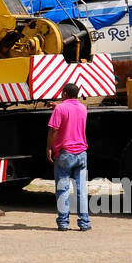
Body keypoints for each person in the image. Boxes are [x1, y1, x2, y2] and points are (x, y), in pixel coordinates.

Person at [47, 82, 90, 231]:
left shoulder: (60, 109)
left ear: (65, 94)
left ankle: (63, 223)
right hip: (81, 154)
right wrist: (58, 106)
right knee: (81, 190)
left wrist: (49, 148)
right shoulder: (83, 108)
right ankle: (84, 223)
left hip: (65, 154)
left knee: (63, 189)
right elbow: (71, 111)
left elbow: (53, 131)